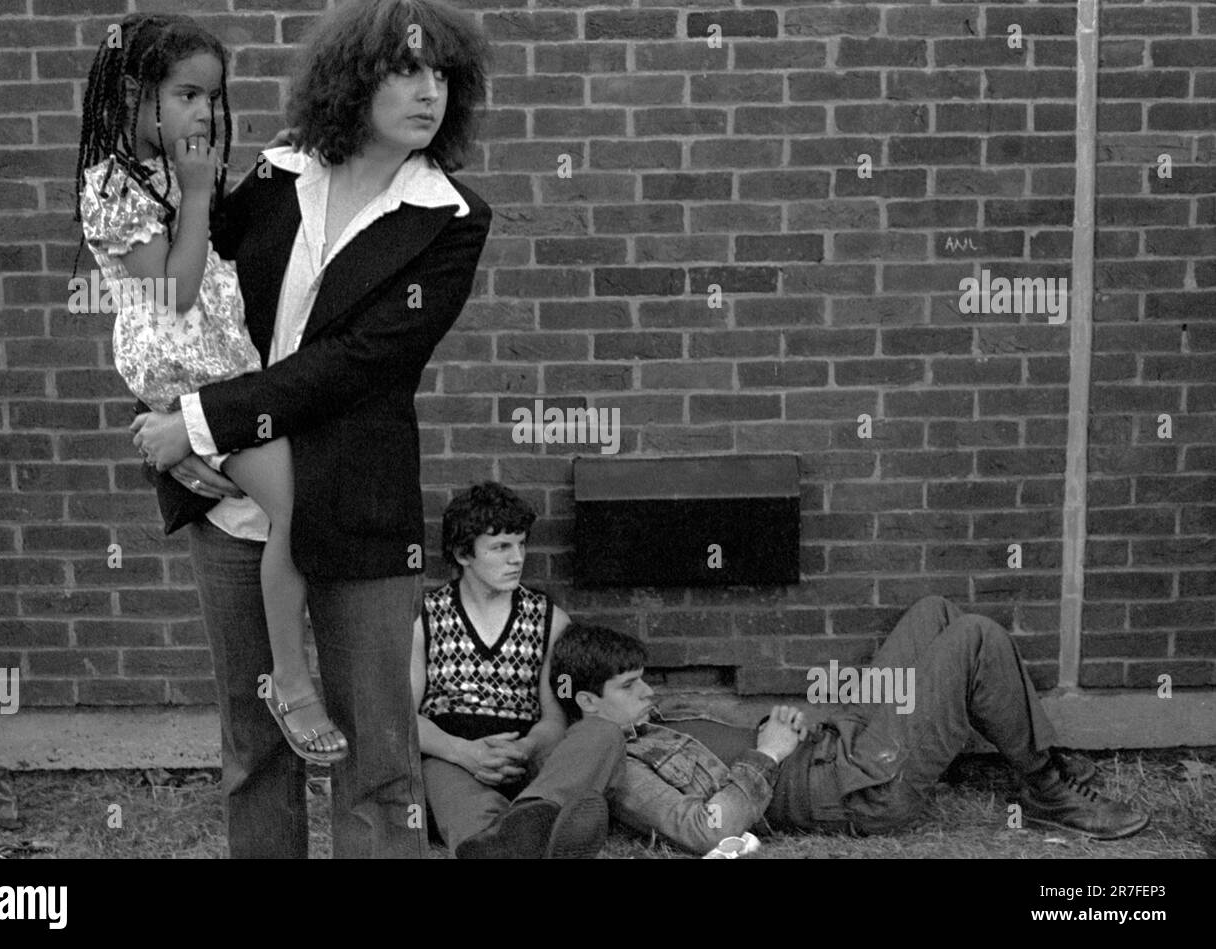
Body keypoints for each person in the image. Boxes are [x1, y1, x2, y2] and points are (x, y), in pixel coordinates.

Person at [126, 0, 493, 857]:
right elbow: (188, 294)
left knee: (378, 760)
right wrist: (168, 412)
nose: (427, 90)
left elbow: (356, 364)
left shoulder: (451, 219)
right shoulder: (279, 171)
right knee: (255, 751)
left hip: (355, 505)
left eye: (441, 74)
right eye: (405, 71)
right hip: (231, 501)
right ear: (352, 79)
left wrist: (201, 422)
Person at [76, 13, 348, 766]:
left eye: (212, 99)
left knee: (286, 503)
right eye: (188, 94)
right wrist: (197, 194)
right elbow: (176, 291)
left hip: (224, 379)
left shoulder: (164, 172)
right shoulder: (113, 187)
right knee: (293, 502)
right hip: (194, 382)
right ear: (135, 93)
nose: (203, 113)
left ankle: (288, 671)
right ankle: (290, 680)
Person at [537, 597, 1151, 857]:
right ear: (586, 703)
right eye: (629, 686)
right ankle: (1046, 786)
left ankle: (1026, 745)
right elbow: (705, 832)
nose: (649, 691)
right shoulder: (619, 768)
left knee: (934, 610)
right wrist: (769, 755)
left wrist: (798, 721)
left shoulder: (650, 721)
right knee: (974, 638)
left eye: (644, 679)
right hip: (860, 788)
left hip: (842, 741)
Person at [410, 482, 611, 858]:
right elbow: (404, 716)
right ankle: (515, 839)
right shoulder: (424, 617)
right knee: (442, 780)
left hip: (528, 760)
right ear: (463, 553)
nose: (517, 557)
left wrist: (525, 747)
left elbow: (556, 717)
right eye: (501, 547)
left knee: (601, 733)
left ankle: (533, 818)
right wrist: (463, 752)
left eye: (521, 544)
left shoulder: (550, 620)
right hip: (453, 754)